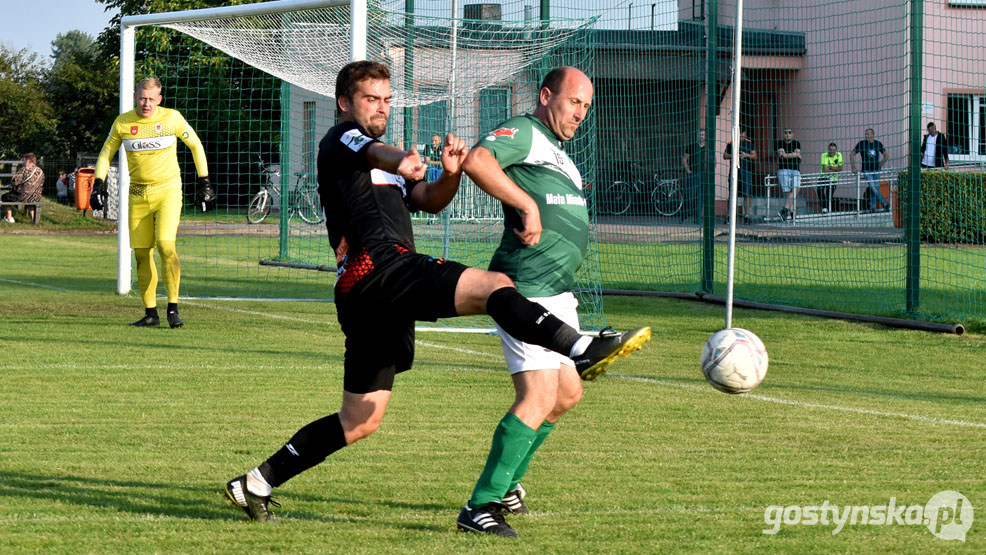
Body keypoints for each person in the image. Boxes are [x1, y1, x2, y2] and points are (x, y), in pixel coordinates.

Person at [222, 61, 650, 524]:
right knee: (494, 285)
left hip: (369, 289)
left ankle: (256, 482)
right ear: (345, 103)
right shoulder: (341, 139)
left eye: (387, 99)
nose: (382, 107)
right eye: (371, 99)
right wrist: (399, 159)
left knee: (360, 419)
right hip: (378, 269)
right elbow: (373, 151)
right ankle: (580, 347)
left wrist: (447, 175)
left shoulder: (375, 158)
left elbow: (426, 200)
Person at [455, 67, 601, 538]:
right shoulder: (526, 131)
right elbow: (479, 160)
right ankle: (481, 506)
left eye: (585, 106)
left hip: (558, 289)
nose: (580, 112)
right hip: (528, 287)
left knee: (567, 394)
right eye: (573, 101)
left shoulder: (561, 155)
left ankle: (510, 484)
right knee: (537, 395)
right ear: (546, 96)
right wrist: (527, 204)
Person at [92, 77, 214, 328]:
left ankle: (173, 308)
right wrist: (98, 184)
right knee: (141, 254)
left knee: (165, 245)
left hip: (168, 191)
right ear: (136, 97)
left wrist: (205, 182)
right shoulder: (123, 123)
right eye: (142, 98)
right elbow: (106, 153)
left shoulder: (172, 118)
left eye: (151, 99)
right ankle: (151, 314)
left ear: (159, 99)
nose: (146, 103)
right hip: (137, 195)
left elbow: (195, 145)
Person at [851, 128, 890, 212]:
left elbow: (886, 155)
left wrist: (881, 163)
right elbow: (852, 153)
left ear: (873, 134)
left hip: (877, 170)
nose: (867, 136)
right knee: (873, 187)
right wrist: (853, 167)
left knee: (874, 188)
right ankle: (885, 203)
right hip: (866, 170)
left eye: (868, 134)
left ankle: (873, 208)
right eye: (866, 134)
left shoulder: (877, 144)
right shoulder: (862, 144)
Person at [723, 129, 757, 223]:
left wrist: (746, 155)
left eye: (742, 133)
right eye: (739, 133)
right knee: (732, 194)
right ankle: (729, 216)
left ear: (745, 133)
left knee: (746, 194)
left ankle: (747, 216)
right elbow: (724, 155)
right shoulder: (731, 143)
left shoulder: (749, 143)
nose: (741, 135)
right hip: (734, 172)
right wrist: (733, 155)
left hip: (746, 171)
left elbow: (755, 156)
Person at [1, 153, 44, 223]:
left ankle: (9, 218)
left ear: (27, 160)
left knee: (4, 197)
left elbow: (14, 181)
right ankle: (33, 219)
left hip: (23, 196)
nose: (23, 161)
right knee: (31, 202)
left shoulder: (24, 170)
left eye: (23, 159)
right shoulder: (40, 171)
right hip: (36, 196)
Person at [775, 128, 801, 220]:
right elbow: (781, 154)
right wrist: (793, 155)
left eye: (789, 132)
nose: (787, 134)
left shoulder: (796, 143)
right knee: (788, 193)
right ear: (783, 134)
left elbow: (796, 154)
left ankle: (785, 210)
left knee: (796, 189)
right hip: (783, 169)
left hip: (795, 169)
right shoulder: (779, 143)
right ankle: (792, 214)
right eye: (785, 132)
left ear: (792, 134)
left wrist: (786, 155)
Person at [681, 129, 706, 223]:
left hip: (703, 174)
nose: (701, 136)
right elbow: (684, 159)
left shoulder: (708, 147)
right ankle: (683, 217)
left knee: (700, 197)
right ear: (697, 136)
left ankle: (697, 218)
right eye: (700, 134)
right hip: (693, 174)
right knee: (689, 196)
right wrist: (688, 170)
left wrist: (708, 171)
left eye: (703, 134)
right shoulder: (691, 146)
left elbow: (714, 161)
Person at [819, 142, 843, 213]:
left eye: (834, 150)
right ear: (828, 150)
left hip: (834, 178)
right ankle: (824, 207)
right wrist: (835, 168)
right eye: (830, 150)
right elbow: (826, 170)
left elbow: (841, 168)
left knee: (829, 194)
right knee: (820, 190)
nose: (832, 152)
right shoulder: (824, 155)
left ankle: (828, 209)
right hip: (823, 177)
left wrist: (830, 167)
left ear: (836, 150)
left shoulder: (839, 155)